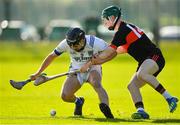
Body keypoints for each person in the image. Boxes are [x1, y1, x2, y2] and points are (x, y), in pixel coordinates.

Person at [80, 5, 178, 119]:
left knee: (142, 74)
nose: (104, 23)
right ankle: (141, 111)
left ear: (112, 18)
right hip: (144, 61)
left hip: (154, 56)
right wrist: (98, 59)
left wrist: (92, 61)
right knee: (132, 86)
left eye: (105, 19)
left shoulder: (123, 30)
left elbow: (110, 51)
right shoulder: (123, 30)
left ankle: (169, 98)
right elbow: (117, 51)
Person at [30, 27, 114, 118]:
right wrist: (38, 73)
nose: (73, 47)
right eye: (71, 45)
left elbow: (113, 52)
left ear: (82, 40)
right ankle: (78, 102)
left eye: (75, 45)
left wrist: (96, 62)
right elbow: (51, 56)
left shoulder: (95, 42)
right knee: (65, 96)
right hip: (76, 70)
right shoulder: (66, 43)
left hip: (93, 67)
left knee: (96, 83)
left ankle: (106, 108)